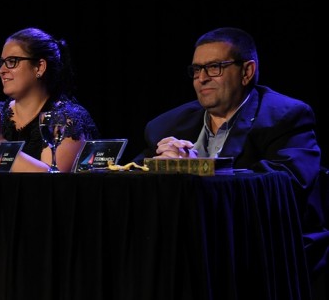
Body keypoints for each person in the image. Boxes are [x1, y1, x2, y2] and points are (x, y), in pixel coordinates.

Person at [130, 27, 326, 280]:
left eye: (214, 68)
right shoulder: (168, 125)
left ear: (247, 72)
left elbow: (286, 183)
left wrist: (200, 168)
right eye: (196, 70)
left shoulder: (286, 116)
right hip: (189, 250)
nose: (202, 78)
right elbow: (133, 172)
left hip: (264, 254)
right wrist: (156, 166)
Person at [0, 27, 98, 173]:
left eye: (12, 61)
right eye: (2, 62)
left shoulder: (65, 118)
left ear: (39, 67)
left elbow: (51, 179)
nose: (2, 70)